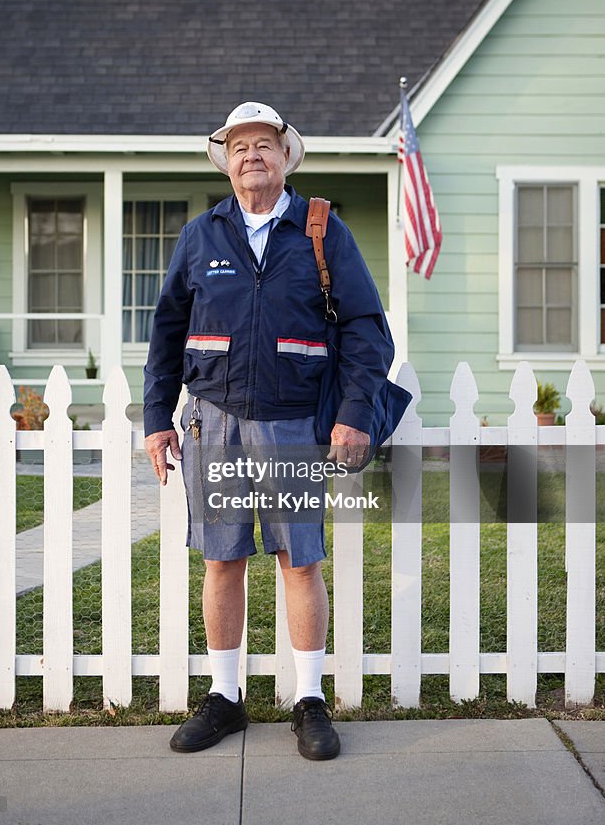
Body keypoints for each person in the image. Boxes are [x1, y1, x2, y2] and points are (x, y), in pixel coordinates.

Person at [144, 101, 397, 760]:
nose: (250, 154)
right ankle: (224, 698)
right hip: (213, 419)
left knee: (298, 558)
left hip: (291, 420)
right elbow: (166, 332)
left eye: (263, 144)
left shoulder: (321, 230)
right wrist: (154, 418)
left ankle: (308, 699)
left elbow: (367, 332)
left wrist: (353, 414)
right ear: (225, 161)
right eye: (238, 146)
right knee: (222, 556)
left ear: (287, 157)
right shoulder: (201, 235)